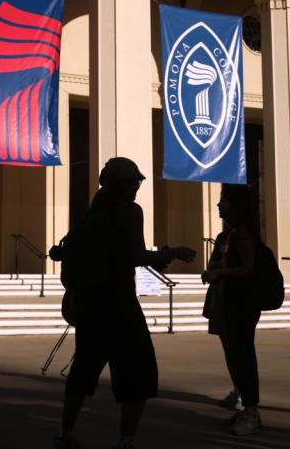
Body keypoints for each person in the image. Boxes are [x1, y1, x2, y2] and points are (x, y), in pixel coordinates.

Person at [54, 157, 196, 449]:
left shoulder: (91, 217)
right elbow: (137, 257)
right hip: (118, 304)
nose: (137, 187)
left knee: (82, 372)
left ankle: (66, 434)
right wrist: (173, 252)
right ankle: (126, 440)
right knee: (137, 373)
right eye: (134, 181)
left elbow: (61, 252)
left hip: (90, 306)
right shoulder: (129, 211)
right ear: (123, 184)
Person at [202, 183, 262, 436]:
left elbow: (248, 268)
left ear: (235, 206)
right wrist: (217, 267)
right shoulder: (225, 236)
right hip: (225, 302)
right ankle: (243, 401)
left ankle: (251, 411)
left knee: (244, 355)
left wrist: (219, 271)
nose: (218, 205)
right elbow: (214, 261)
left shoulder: (244, 235)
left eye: (224, 200)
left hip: (240, 304)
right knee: (234, 353)